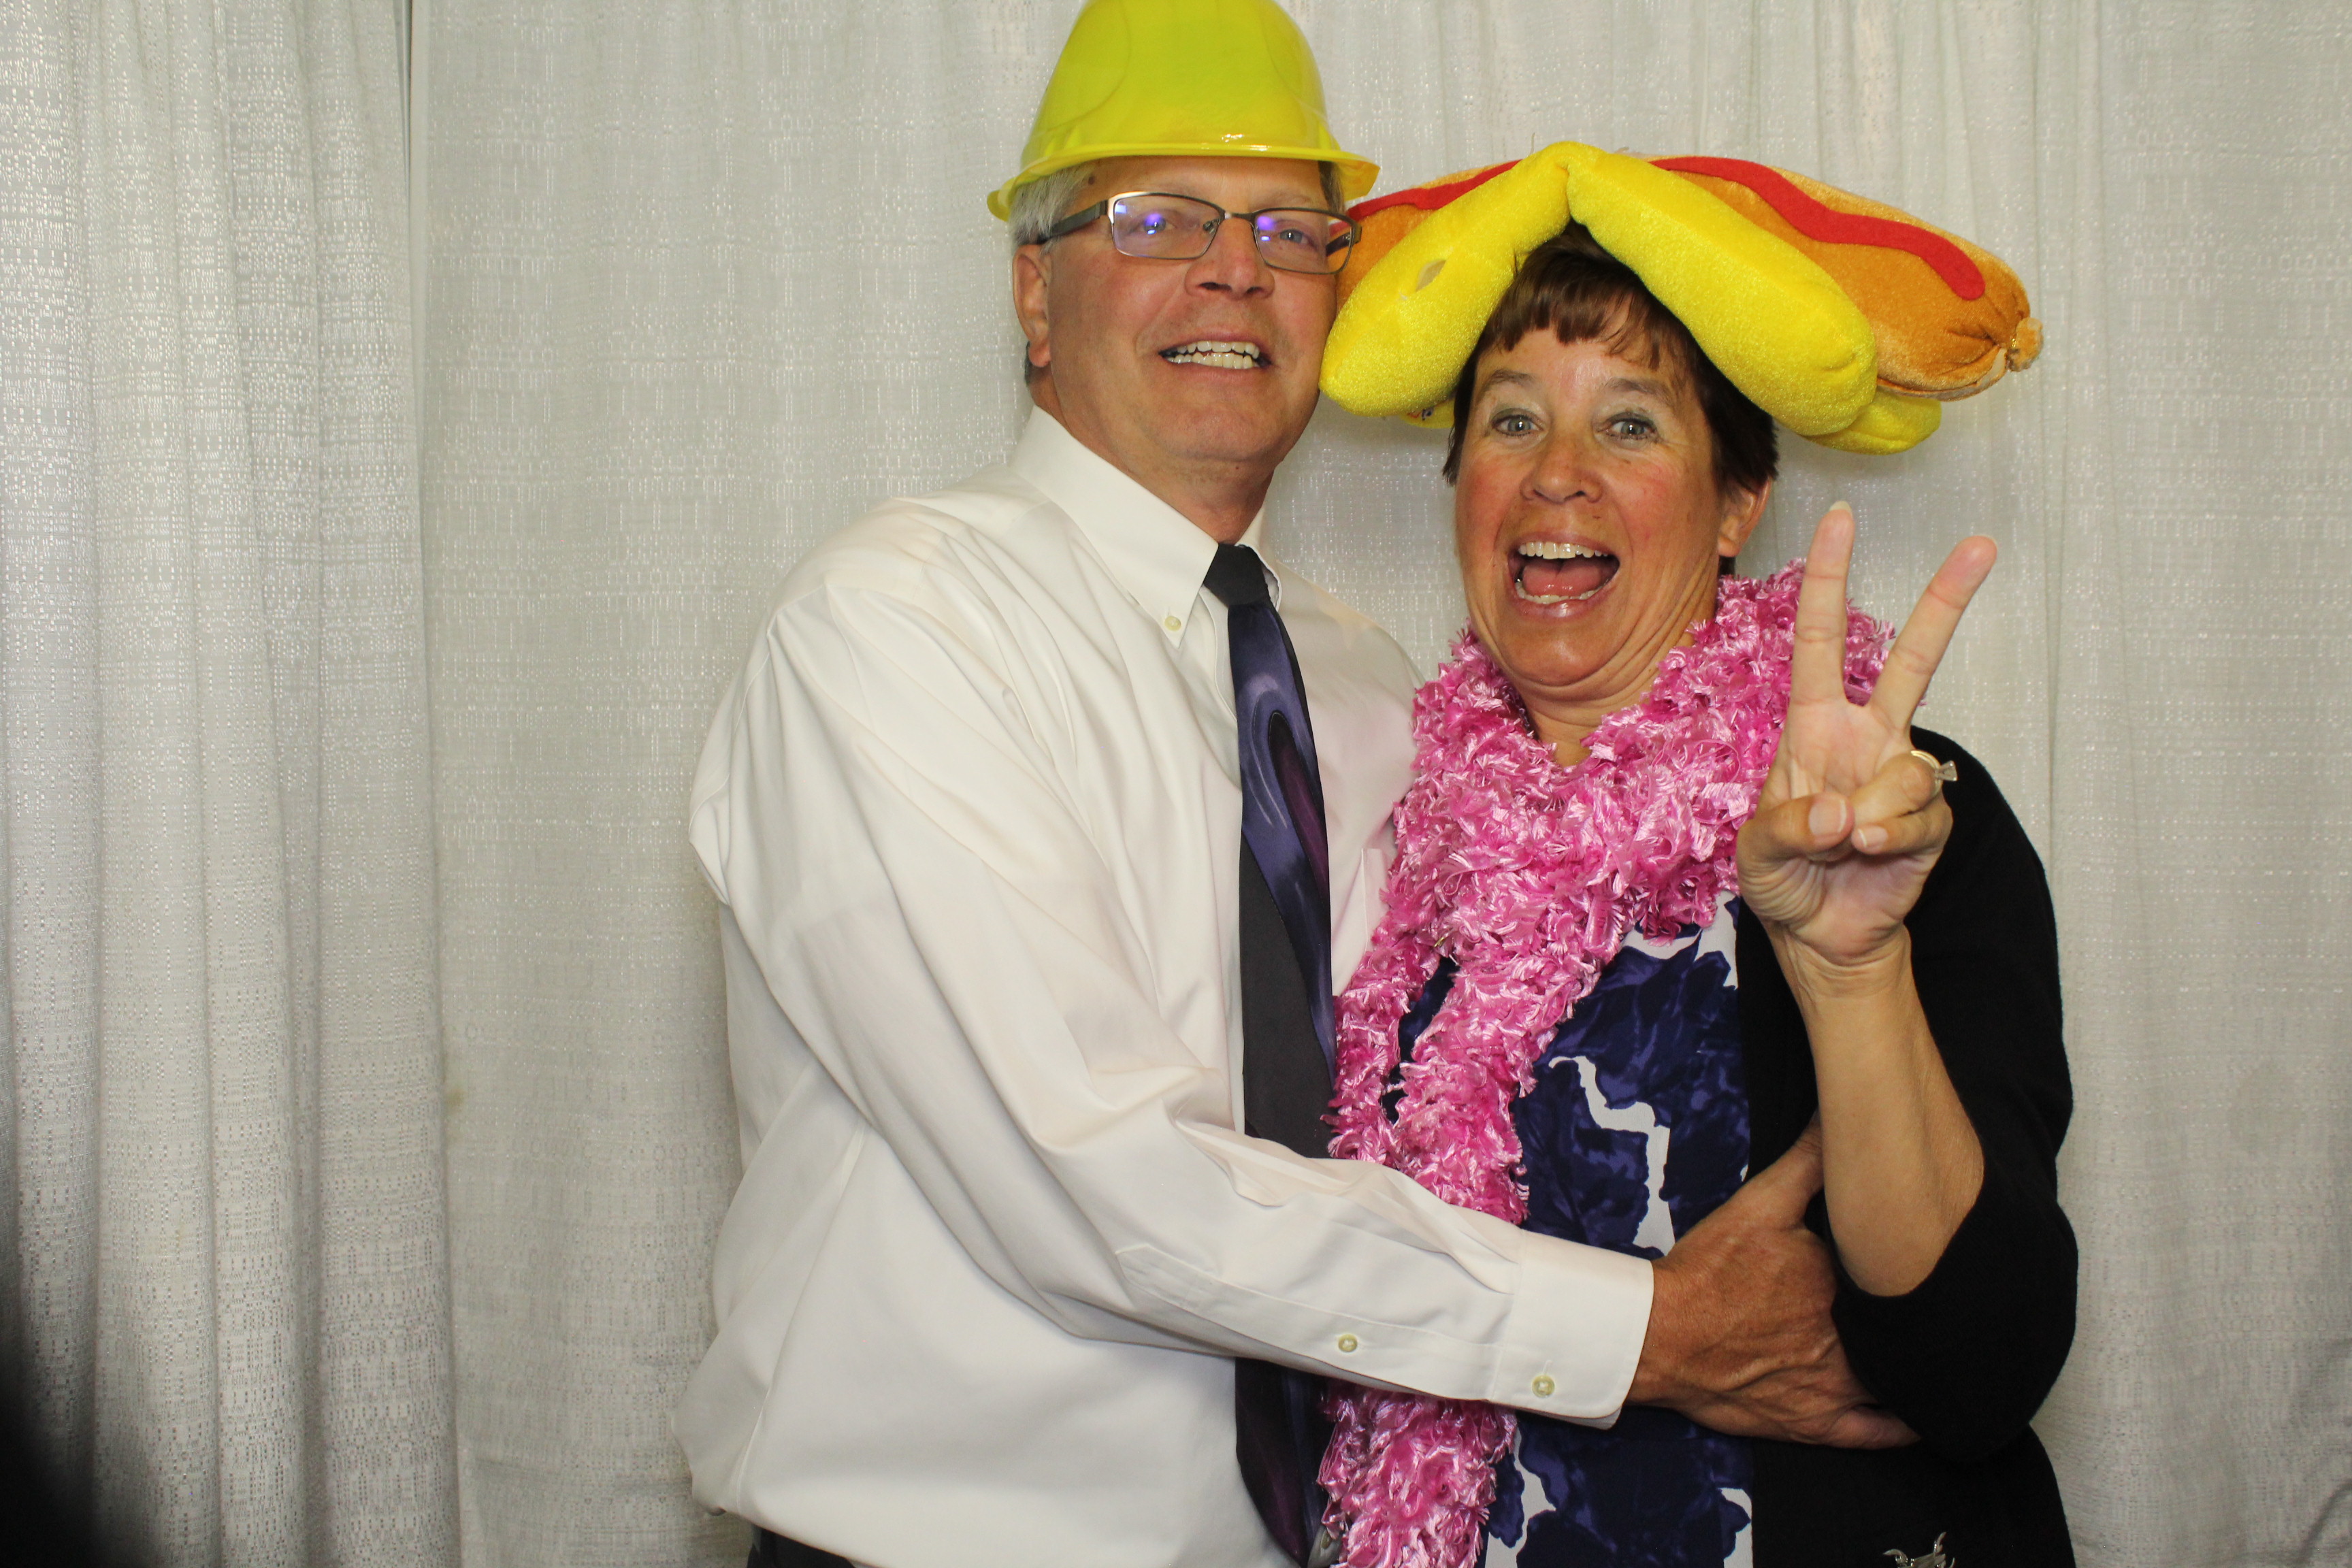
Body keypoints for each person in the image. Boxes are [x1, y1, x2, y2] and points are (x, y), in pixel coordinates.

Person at [679, 6, 1908, 1566]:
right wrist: (1647, 1333)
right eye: (1154, 220)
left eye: (1289, 229)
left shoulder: (1379, 683)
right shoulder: (893, 634)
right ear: (1032, 296)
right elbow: (1103, 1191)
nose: (1233, 271)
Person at [1313, 217, 2076, 1567]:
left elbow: (1980, 1367)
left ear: (1739, 502)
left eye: (1628, 427)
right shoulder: (1383, 843)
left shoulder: (1887, 821)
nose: (1556, 476)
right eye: (1509, 422)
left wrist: (1850, 972)